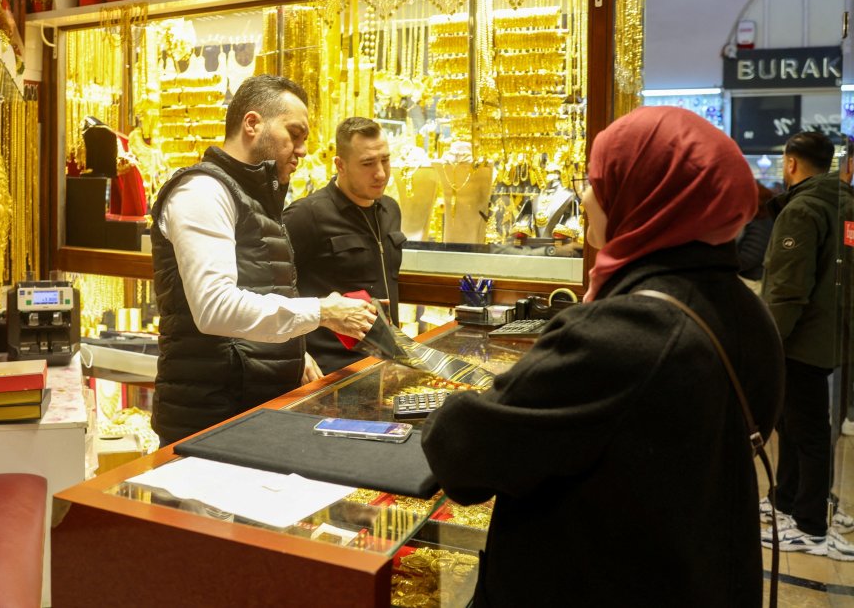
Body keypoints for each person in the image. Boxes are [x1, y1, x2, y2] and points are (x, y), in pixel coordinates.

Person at [421, 106, 784, 604]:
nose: (588, 197)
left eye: (599, 182)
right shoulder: (749, 315)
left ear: (645, 195)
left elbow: (461, 452)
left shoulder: (626, 329)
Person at [149, 75, 378, 446]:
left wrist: (292, 352)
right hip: (212, 416)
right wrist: (322, 312)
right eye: (295, 133)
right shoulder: (203, 191)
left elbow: (262, 289)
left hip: (251, 408)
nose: (302, 149)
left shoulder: (257, 200)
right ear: (252, 124)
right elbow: (215, 308)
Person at [760, 132, 854, 559]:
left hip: (801, 337)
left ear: (791, 163)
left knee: (806, 431)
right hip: (830, 333)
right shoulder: (843, 205)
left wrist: (769, 342)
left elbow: (786, 289)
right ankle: (786, 503)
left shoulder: (802, 210)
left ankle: (809, 524)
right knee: (797, 425)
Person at [282, 117, 403, 374]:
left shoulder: (390, 209)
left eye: (385, 160)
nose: (380, 173)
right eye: (368, 163)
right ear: (340, 165)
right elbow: (270, 288)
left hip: (386, 360)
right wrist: (294, 352)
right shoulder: (307, 215)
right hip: (331, 369)